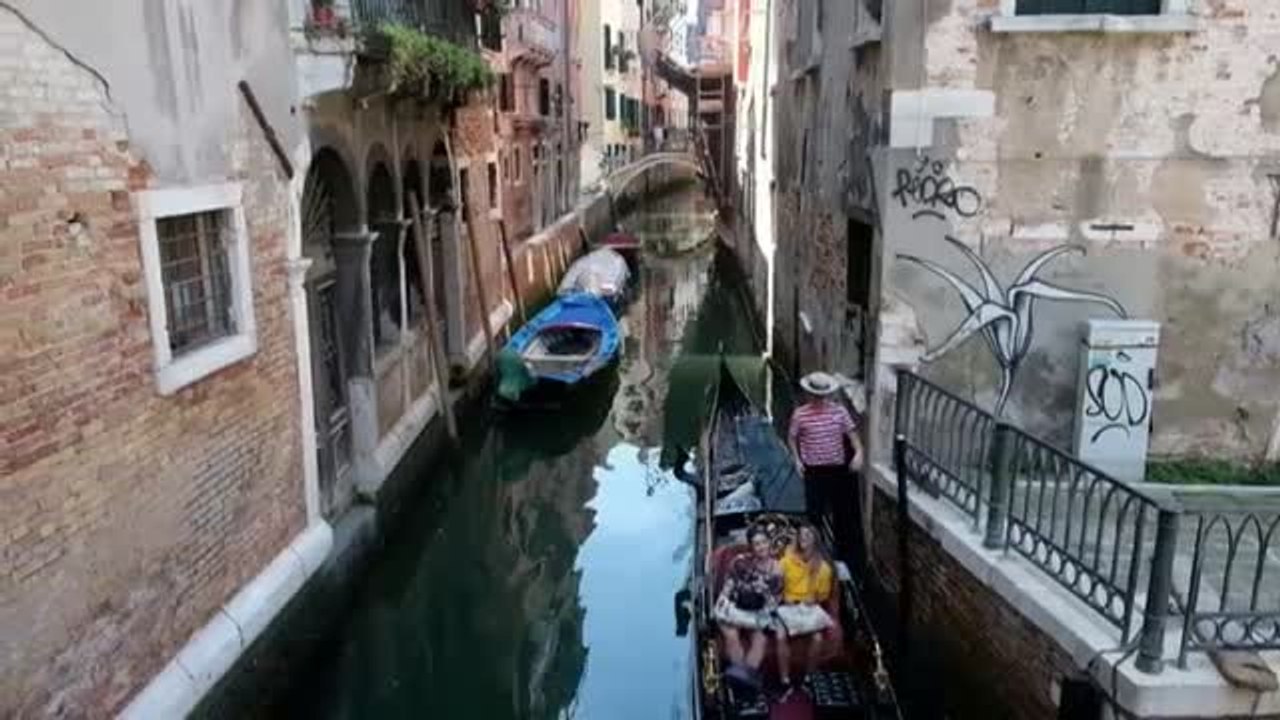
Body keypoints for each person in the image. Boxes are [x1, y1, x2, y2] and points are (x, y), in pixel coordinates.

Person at [787, 371, 865, 569]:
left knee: (841, 514)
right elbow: (792, 438)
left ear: (827, 395)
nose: (818, 399)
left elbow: (852, 435)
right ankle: (814, 554)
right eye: (815, 396)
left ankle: (841, 555)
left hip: (837, 470)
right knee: (814, 514)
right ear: (808, 394)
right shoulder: (800, 414)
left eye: (821, 396)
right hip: (813, 471)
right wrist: (797, 460)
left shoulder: (839, 412)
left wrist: (858, 453)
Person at [714, 528, 783, 685]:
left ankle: (743, 678)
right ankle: (741, 676)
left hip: (758, 611)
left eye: (764, 542)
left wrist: (764, 593)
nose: (761, 547)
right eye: (757, 544)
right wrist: (723, 598)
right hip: (735, 607)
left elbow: (776, 599)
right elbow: (729, 583)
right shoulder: (740, 561)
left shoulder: (777, 569)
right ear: (752, 547)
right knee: (731, 634)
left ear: (769, 543)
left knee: (760, 639)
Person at [775, 524, 836, 693]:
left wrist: (814, 599)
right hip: (787, 608)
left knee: (817, 639)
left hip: (808, 610)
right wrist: (783, 597)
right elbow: (776, 585)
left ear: (815, 539)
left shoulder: (823, 568)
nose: (804, 538)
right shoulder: (786, 561)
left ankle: (809, 677)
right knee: (780, 636)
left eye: (808, 535)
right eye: (801, 535)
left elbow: (823, 595)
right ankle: (784, 679)